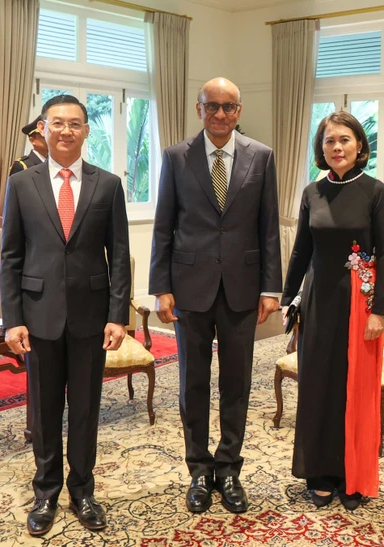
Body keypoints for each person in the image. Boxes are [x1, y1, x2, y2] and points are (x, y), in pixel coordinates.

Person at [149, 77, 282, 515]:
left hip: (243, 289)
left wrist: (270, 286)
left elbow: (268, 227)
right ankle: (199, 471)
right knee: (193, 382)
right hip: (190, 288)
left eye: (229, 107)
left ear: (239, 110)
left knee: (237, 383)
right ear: (198, 109)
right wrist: (161, 288)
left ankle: (228, 469)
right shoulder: (176, 157)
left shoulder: (261, 157)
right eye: (212, 106)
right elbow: (164, 225)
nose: (221, 114)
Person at [0, 94, 131, 536]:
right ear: (43, 128)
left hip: (92, 318)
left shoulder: (108, 184)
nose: (66, 131)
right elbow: (11, 257)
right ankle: (46, 492)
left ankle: (83, 490)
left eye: (75, 124)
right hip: (38, 316)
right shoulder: (21, 184)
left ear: (86, 131)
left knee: (86, 409)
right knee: (45, 409)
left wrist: (118, 315)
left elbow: (121, 253)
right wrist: (12, 319)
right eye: (57, 123)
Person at [281, 111, 384, 511]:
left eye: (345, 140)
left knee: (355, 390)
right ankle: (321, 473)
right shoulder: (312, 193)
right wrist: (286, 298)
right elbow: (302, 251)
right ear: (321, 148)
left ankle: (352, 476)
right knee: (318, 388)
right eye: (330, 141)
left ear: (360, 146)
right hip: (317, 302)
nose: (337, 147)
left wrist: (380, 309)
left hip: (359, 305)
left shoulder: (375, 191)